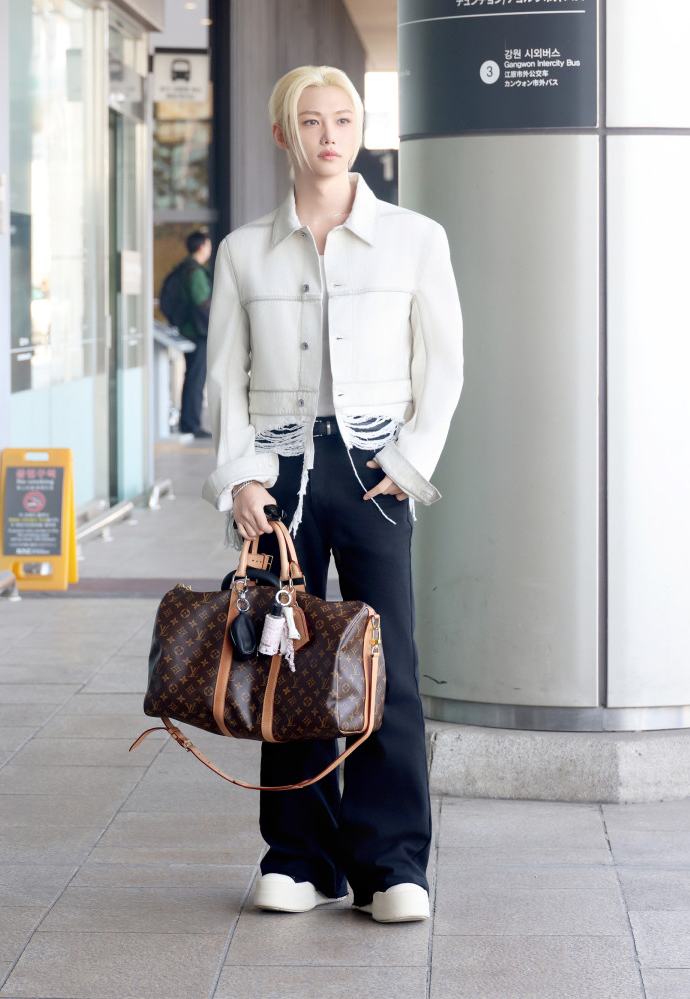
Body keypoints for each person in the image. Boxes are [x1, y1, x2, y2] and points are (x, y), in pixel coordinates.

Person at [203, 65, 463, 923]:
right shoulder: (244, 250)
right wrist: (241, 475)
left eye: (343, 119)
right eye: (310, 121)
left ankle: (393, 865)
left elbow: (444, 364)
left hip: (374, 472)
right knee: (287, 659)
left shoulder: (415, 238)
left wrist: (410, 462)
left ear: (360, 129)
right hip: (280, 481)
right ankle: (300, 858)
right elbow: (224, 379)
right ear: (284, 133)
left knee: (392, 663)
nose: (328, 135)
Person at [178, 231, 213, 438]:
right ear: (201, 247)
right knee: (196, 379)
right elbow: (202, 303)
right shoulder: (196, 272)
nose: (209, 249)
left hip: (191, 330)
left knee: (193, 377)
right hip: (198, 332)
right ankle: (191, 424)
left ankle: (189, 422)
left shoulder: (186, 268)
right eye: (208, 245)